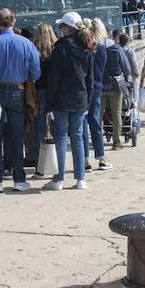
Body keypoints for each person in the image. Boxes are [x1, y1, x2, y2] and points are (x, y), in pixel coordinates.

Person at [0, 8, 41, 192]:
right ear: (14, 22)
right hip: (18, 89)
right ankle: (19, 179)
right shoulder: (26, 44)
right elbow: (36, 73)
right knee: (17, 136)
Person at [45, 13, 96, 190]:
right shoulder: (87, 48)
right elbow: (91, 79)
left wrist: (49, 103)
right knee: (77, 137)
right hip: (81, 98)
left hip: (61, 98)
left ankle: (59, 179)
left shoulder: (60, 48)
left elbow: (53, 78)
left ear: (68, 28)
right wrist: (88, 102)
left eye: (62, 27)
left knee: (60, 137)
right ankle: (80, 178)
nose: (60, 30)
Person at [28, 23, 58, 174]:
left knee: (38, 129)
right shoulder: (56, 49)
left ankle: (40, 165)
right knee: (57, 128)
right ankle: (56, 163)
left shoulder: (34, 50)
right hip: (55, 92)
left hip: (38, 91)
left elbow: (34, 74)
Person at [83, 19, 112, 170]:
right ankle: (101, 156)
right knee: (95, 122)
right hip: (96, 87)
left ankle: (85, 159)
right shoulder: (101, 48)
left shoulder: (84, 47)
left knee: (82, 123)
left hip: (83, 88)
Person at [100, 25, 130, 150]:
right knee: (117, 113)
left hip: (100, 86)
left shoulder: (98, 48)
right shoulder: (117, 48)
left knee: (99, 114)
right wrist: (126, 80)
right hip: (115, 85)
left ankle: (98, 140)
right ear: (111, 35)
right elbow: (126, 67)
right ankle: (116, 142)